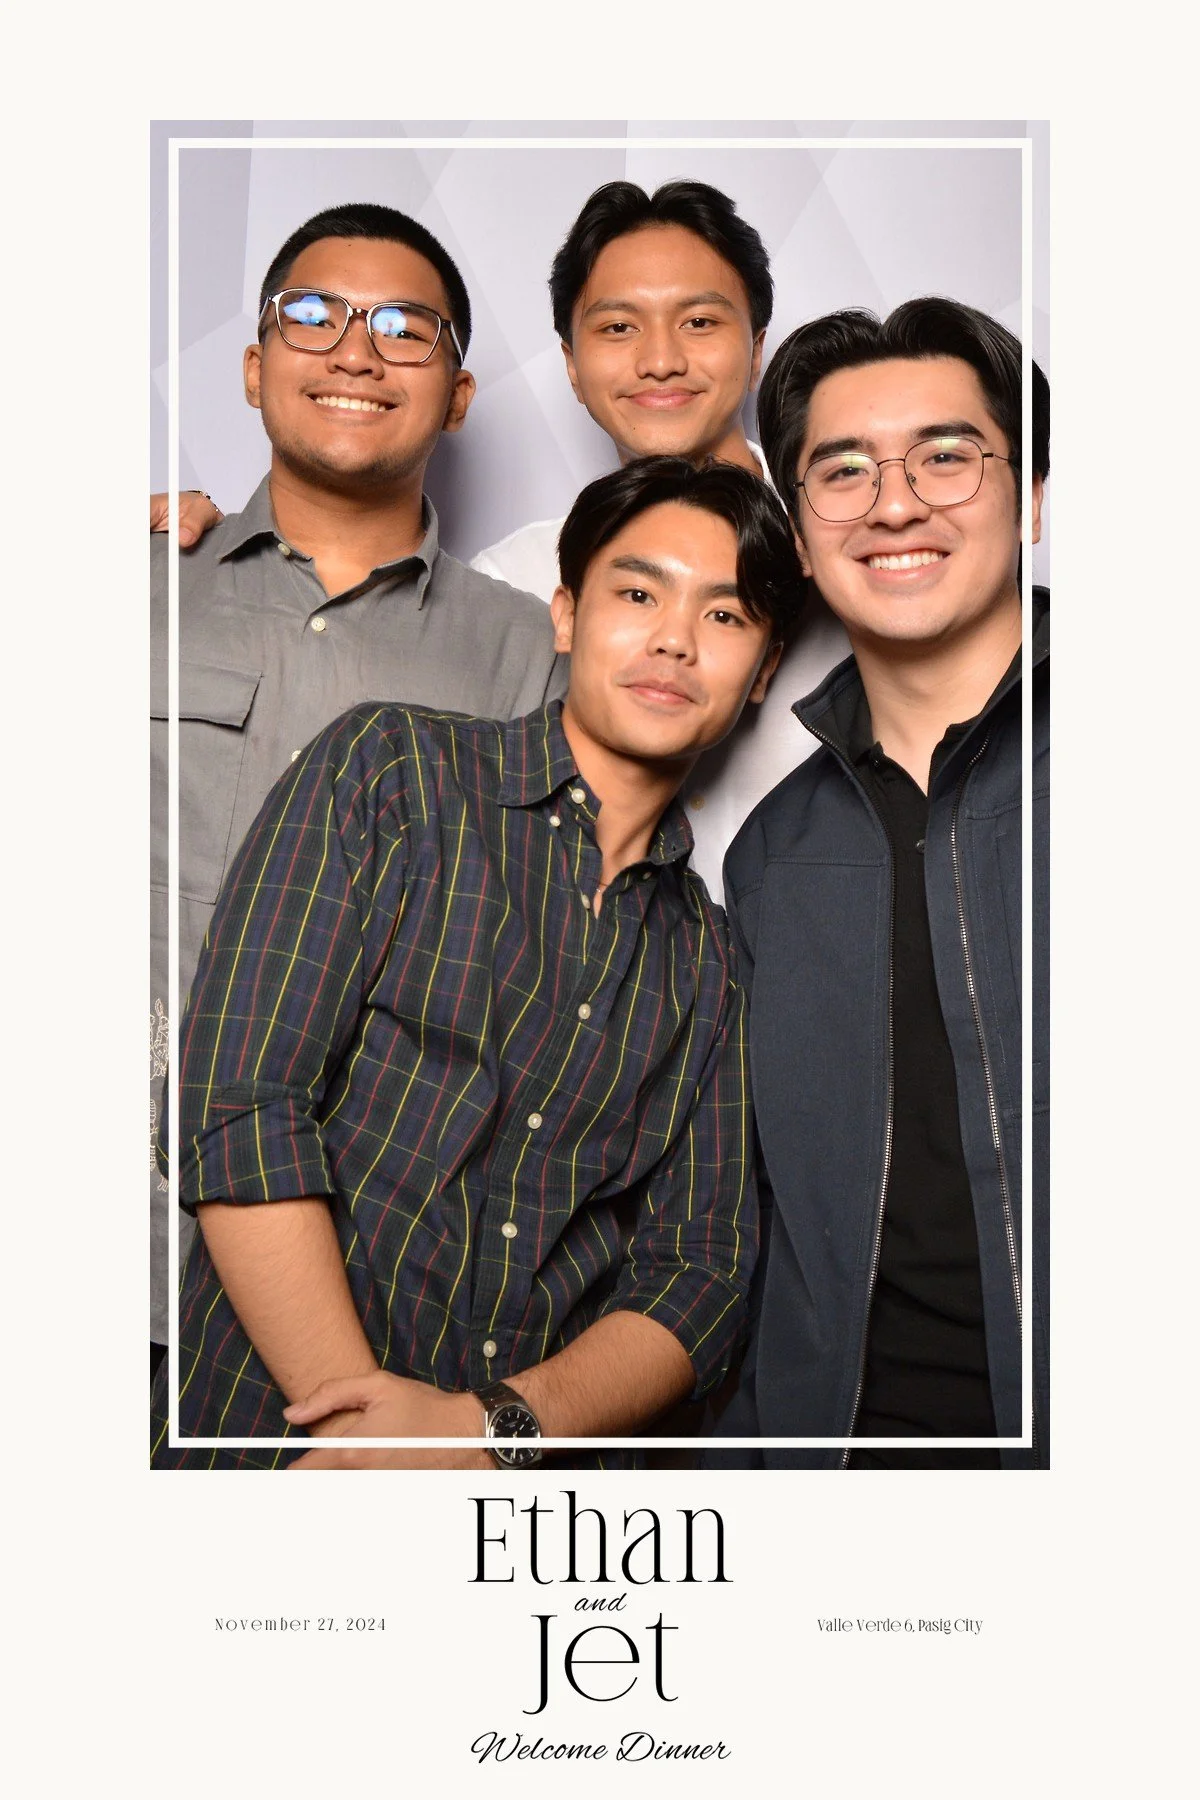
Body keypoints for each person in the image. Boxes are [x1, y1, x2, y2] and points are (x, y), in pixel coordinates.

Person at [150, 455, 803, 1470]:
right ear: (568, 615)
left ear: (762, 670)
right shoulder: (391, 772)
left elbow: (700, 1275)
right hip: (266, 1456)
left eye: (726, 618)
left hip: (516, 1524)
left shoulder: (710, 962)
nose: (675, 638)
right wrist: (368, 1445)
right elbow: (240, 1104)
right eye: (638, 593)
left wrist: (481, 1434)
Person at [158, 181, 849, 898]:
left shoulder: (855, 560)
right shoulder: (517, 585)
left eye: (700, 322)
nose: (660, 360)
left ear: (757, 345)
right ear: (573, 366)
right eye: (618, 328)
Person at [150, 202, 563, 1379]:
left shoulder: (529, 653)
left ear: (461, 394)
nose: (354, 349)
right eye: (313, 315)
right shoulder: (125, 582)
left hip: (356, 1295)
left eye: (403, 327)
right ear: (253, 365)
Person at [710, 298, 1049, 1469]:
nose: (896, 502)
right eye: (842, 471)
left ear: (1035, 494)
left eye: (948, 457)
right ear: (800, 537)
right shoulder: (770, 858)